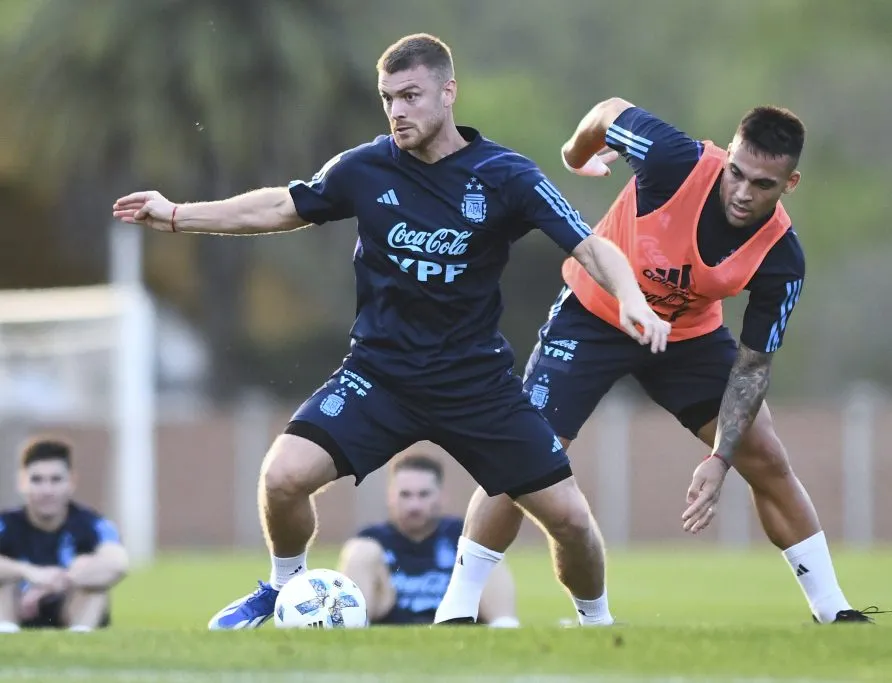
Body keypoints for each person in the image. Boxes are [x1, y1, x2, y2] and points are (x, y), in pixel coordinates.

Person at [112, 34, 670, 630]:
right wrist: (176, 215)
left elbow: (590, 247)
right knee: (282, 477)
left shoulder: (506, 176)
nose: (398, 111)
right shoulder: (365, 167)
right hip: (380, 376)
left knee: (572, 521)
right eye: (388, 99)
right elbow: (279, 206)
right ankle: (281, 592)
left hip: (476, 385)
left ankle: (597, 624)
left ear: (448, 93)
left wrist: (632, 298)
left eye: (411, 95)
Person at [440, 97, 880, 625]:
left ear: (790, 184)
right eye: (736, 174)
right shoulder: (673, 160)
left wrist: (720, 459)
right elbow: (607, 111)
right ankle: (458, 608)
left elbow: (754, 365)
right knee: (528, 451)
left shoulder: (782, 257)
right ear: (729, 156)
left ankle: (833, 610)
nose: (742, 193)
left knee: (763, 452)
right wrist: (576, 154)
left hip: (688, 336)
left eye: (763, 185)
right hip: (595, 313)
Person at [339, 452, 518, 627]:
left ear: (441, 497)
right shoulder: (373, 539)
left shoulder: (461, 534)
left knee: (484, 548)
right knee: (359, 551)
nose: (414, 505)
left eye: (423, 494)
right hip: (392, 626)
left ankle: (504, 626)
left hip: (457, 631)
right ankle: (352, 626)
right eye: (405, 495)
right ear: (390, 497)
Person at [0, 438, 129, 632]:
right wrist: (28, 572)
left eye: (56, 480)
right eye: (37, 480)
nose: (47, 490)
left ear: (71, 482)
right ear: (22, 482)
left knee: (93, 581)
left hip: (71, 608)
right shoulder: (6, 524)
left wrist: (60, 581)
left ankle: (79, 642)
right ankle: (7, 636)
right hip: (20, 610)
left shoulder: (93, 524)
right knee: (5, 581)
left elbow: (118, 564)